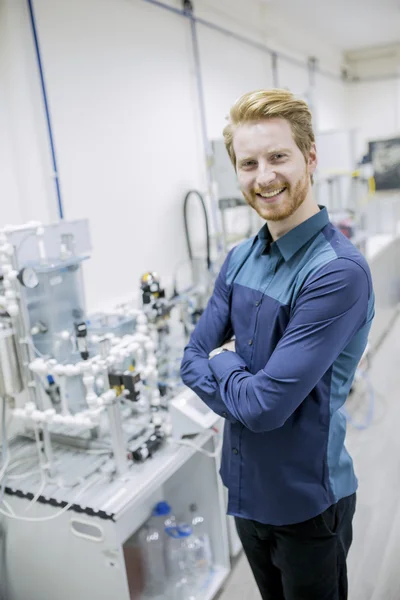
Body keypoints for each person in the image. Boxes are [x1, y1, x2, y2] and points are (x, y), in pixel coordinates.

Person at [180, 89, 375, 600]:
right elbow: (188, 359)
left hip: (307, 505)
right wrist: (231, 368)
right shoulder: (240, 257)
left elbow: (265, 408)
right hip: (245, 494)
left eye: (278, 157)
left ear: (310, 157)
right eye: (248, 163)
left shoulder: (336, 272)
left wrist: (221, 362)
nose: (263, 176)